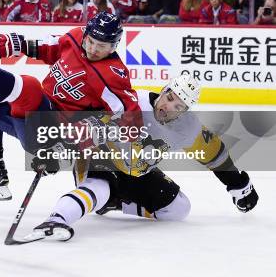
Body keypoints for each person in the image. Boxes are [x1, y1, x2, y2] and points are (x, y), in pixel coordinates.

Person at [0, 12, 141, 200]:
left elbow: (130, 120)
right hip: (36, 118)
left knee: (30, 87)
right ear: (86, 34)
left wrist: (76, 144)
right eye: (91, 41)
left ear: (114, 46)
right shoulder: (76, 37)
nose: (93, 49)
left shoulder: (112, 74)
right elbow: (49, 47)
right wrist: (14, 45)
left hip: (56, 133)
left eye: (102, 46)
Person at [25, 75, 259, 241]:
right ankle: (57, 219)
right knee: (101, 187)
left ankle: (116, 203)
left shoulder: (188, 128)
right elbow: (86, 129)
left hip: (136, 171)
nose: (169, 107)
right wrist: (54, 153)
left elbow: (213, 153)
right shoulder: (131, 103)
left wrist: (237, 183)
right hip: (100, 159)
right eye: (170, 98)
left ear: (185, 111)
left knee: (179, 209)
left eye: (179, 106)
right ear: (164, 90)